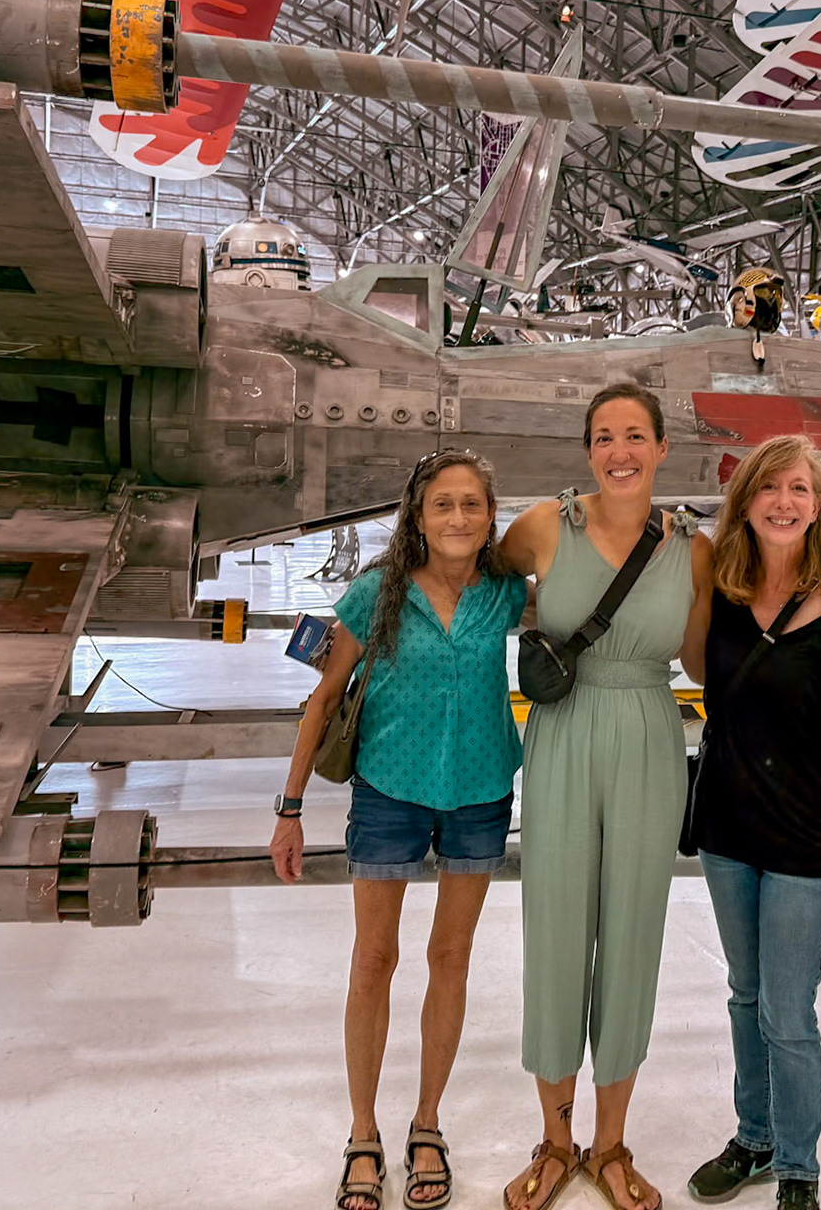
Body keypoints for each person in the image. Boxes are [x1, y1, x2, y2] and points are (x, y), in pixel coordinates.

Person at [270, 449, 529, 1210]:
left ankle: (426, 1124)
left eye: (472, 506)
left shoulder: (506, 594)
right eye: (442, 504)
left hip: (481, 789)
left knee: (450, 957)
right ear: (418, 515)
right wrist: (289, 810)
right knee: (372, 960)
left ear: (490, 518)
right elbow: (324, 703)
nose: (457, 518)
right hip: (389, 790)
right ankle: (361, 1132)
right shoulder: (373, 593)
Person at [497, 384, 712, 1210]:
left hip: (651, 735)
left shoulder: (691, 549)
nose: (618, 451)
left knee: (631, 933)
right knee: (553, 929)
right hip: (561, 730)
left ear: (661, 449)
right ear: (588, 451)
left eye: (634, 436)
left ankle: (612, 1143)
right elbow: (473, 583)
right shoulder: (547, 528)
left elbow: (699, 663)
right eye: (602, 438)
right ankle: (556, 1142)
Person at [683, 434, 821, 1210]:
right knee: (744, 992)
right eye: (769, 488)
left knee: (786, 1010)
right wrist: (700, 578)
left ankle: (798, 1165)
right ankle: (755, 1136)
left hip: (806, 836)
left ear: (820, 506)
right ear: (747, 503)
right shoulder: (730, 596)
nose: (783, 502)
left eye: (799, 489)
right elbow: (701, 673)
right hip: (728, 827)